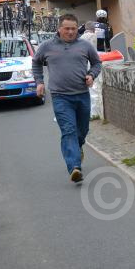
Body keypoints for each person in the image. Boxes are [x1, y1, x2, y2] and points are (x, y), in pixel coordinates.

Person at [32, 14, 102, 183]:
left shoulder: (85, 45)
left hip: (82, 95)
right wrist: (40, 82)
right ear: (59, 29)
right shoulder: (47, 46)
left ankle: (77, 148)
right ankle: (74, 167)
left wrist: (92, 75)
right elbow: (36, 63)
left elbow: (97, 63)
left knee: (82, 130)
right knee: (69, 130)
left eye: (73, 28)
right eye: (67, 28)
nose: (70, 32)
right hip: (60, 96)